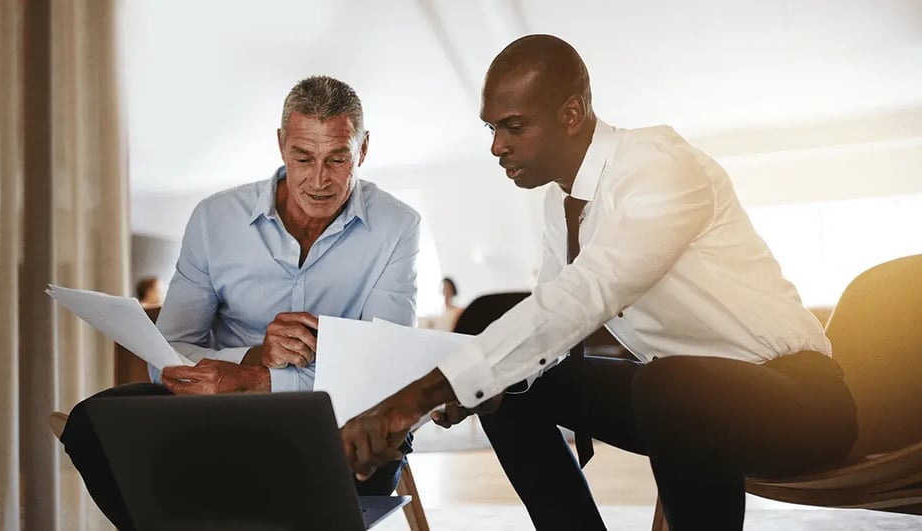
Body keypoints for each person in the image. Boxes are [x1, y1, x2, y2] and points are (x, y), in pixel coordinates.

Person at [339, 35, 857, 531]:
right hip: (676, 400)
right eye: (491, 128)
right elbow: (543, 340)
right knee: (508, 380)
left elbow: (585, 296)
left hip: (797, 399)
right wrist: (443, 401)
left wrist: (414, 397)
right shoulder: (558, 206)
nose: (497, 146)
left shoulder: (658, 164)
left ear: (571, 113)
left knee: (666, 385)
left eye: (514, 126)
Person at [59, 75, 420, 531]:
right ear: (281, 144)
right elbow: (168, 354)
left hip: (333, 415)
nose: (319, 179)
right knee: (92, 423)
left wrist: (257, 381)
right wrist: (248, 360)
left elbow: (388, 369)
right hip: (215, 410)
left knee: (382, 434)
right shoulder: (214, 219)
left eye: (338, 158)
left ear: (363, 149)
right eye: (303, 158)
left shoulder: (398, 227)